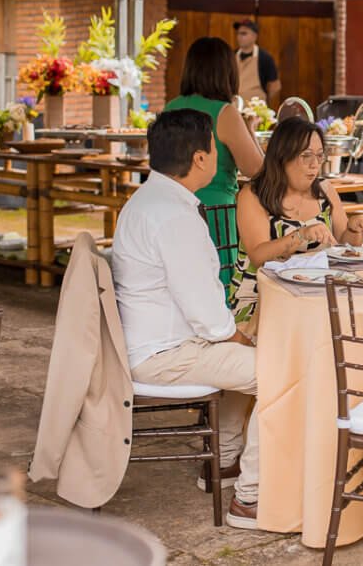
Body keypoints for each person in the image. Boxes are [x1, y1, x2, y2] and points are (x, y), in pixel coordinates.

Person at [110, 109, 262, 530]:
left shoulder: (148, 200)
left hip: (158, 343)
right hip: (167, 354)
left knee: (252, 351)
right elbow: (211, 322)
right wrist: (241, 339)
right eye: (214, 147)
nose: (217, 155)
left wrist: (237, 336)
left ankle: (225, 462)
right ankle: (251, 498)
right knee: (281, 372)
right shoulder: (174, 216)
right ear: (200, 159)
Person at [228, 116, 363, 326]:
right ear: (283, 156)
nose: (315, 165)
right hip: (261, 300)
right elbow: (258, 256)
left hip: (318, 295)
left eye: (319, 156)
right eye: (306, 156)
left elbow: (344, 247)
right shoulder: (254, 194)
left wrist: (353, 228)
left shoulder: (325, 190)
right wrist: (300, 236)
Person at [165, 36, 264, 289]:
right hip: (214, 213)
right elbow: (256, 170)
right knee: (216, 284)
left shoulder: (170, 108)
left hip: (172, 208)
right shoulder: (225, 112)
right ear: (227, 72)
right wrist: (250, 130)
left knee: (181, 278)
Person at [234, 18, 281, 105]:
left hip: (256, 109)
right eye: (238, 33)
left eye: (244, 33)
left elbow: (275, 86)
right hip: (234, 107)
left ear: (254, 36)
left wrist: (261, 100)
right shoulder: (231, 56)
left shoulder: (265, 58)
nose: (239, 36)